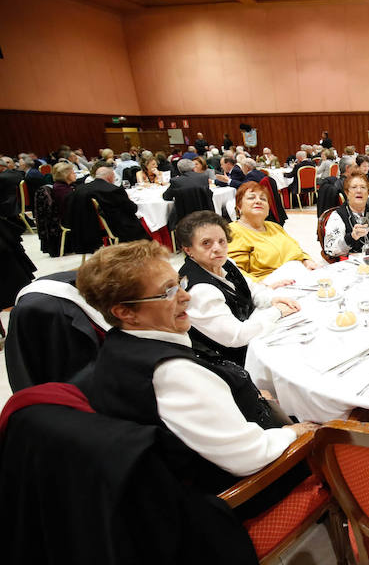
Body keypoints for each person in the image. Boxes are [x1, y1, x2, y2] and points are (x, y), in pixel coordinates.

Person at [75, 241, 318, 517]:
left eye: (179, 282)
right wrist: (291, 433)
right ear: (125, 312)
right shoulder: (172, 373)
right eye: (167, 291)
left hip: (193, 465)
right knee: (336, 427)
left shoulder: (120, 344)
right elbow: (248, 457)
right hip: (237, 493)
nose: (185, 296)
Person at [175, 211, 301, 365]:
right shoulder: (200, 290)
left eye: (222, 241)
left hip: (251, 333)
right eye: (206, 243)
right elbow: (236, 336)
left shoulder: (224, 262)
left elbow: (251, 287)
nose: (218, 248)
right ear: (188, 250)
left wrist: (271, 299)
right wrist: (277, 311)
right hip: (229, 360)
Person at [228, 182, 318, 280]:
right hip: (269, 287)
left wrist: (306, 261)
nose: (258, 201)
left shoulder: (274, 227)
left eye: (263, 199)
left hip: (301, 278)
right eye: (251, 198)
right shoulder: (233, 231)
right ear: (239, 207)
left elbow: (297, 250)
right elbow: (235, 273)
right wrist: (264, 286)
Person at [68, 166, 150, 242]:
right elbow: (133, 209)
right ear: (110, 177)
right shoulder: (113, 190)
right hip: (116, 227)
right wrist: (127, 198)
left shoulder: (81, 188)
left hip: (87, 227)